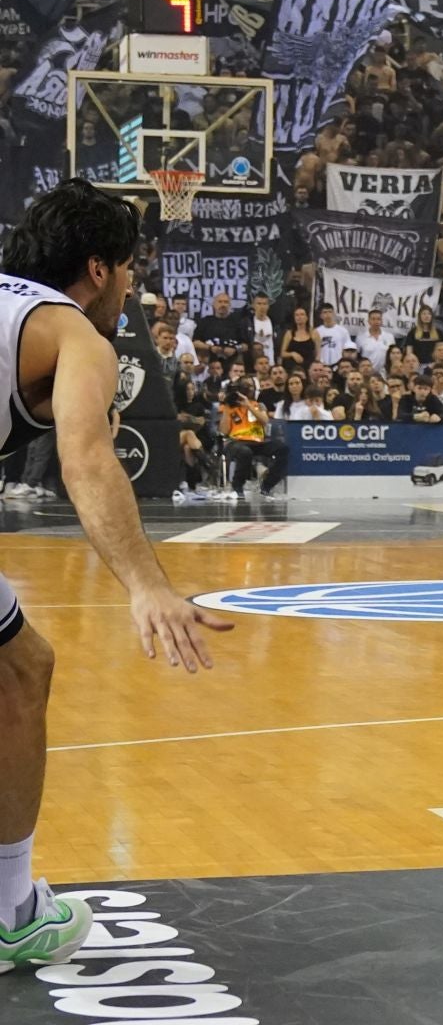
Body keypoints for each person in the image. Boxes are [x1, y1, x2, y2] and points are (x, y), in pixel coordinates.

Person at [0, 181, 233, 972]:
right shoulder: (74, 335)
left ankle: (12, 911)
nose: (134, 287)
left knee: (19, 664)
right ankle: (9, 915)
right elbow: (87, 459)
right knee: (19, 671)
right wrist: (146, 583)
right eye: (131, 269)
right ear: (99, 269)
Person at [220, 380, 288, 501]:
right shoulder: (229, 407)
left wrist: (249, 406)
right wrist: (226, 407)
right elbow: (224, 431)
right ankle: (237, 485)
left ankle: (267, 484)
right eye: (245, 387)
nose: (248, 389)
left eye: (251, 386)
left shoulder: (259, 405)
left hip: (258, 441)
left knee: (283, 448)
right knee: (245, 452)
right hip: (236, 441)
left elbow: (265, 421)